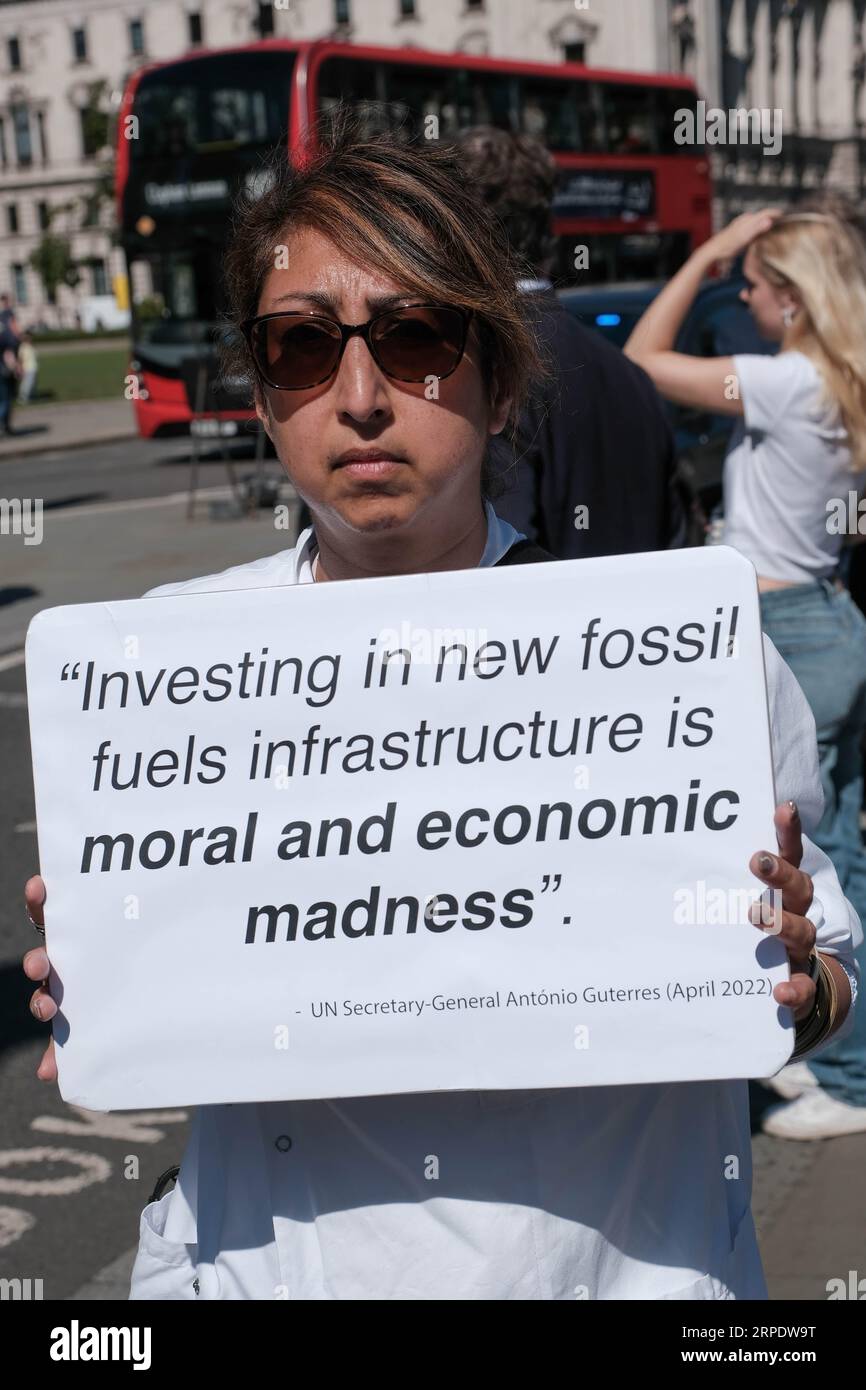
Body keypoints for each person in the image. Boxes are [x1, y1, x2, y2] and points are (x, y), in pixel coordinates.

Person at [23, 121, 860, 1299]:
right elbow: (149, 1030)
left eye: (416, 340)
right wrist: (113, 976)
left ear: (502, 378)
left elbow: (824, 969)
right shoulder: (170, 668)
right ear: (262, 394)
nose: (359, 397)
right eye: (302, 348)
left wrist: (789, 976)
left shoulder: (677, 657)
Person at [624, 205, 866, 1140]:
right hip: (831, 612)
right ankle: (843, 1052)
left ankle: (847, 1077)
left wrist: (709, 252)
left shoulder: (784, 383)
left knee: (810, 854)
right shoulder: (838, 378)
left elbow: (643, 358)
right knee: (845, 840)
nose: (745, 297)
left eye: (758, 287)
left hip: (787, 626)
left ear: (797, 303)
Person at [456, 126, 686, 559]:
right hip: (639, 625)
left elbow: (502, 564)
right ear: (550, 238)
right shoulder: (632, 377)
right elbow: (673, 535)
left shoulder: (484, 366)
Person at [16, 332, 37, 402]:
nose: (30, 339)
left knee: (32, 384)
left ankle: (31, 396)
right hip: (27, 368)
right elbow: (20, 359)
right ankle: (23, 398)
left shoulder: (30, 346)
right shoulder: (23, 347)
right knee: (26, 384)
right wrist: (20, 369)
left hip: (33, 367)